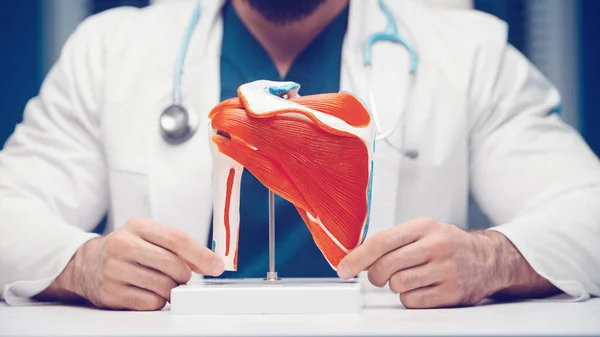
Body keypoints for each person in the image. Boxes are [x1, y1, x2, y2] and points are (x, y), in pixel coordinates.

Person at [0, 0, 599, 311]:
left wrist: (491, 260)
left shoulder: (469, 53)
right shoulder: (110, 50)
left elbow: (587, 211)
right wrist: (80, 265)